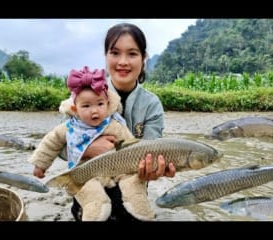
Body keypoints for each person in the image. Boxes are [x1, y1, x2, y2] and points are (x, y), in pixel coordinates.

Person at [70, 22, 176, 221]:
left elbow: (151, 150)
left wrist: (154, 168)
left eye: (132, 54)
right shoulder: (83, 95)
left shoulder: (152, 104)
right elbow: (59, 143)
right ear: (106, 56)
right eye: (115, 53)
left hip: (133, 189)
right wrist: (87, 148)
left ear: (144, 59)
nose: (123, 62)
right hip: (91, 185)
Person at [29, 65, 157, 221]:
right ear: (75, 109)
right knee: (90, 194)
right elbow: (50, 143)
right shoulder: (70, 127)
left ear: (108, 103)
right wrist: (40, 165)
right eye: (86, 106)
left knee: (131, 182)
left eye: (100, 104)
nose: (94, 111)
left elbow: (132, 146)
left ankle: (139, 207)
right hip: (86, 174)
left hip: (117, 172)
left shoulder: (114, 125)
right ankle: (93, 212)